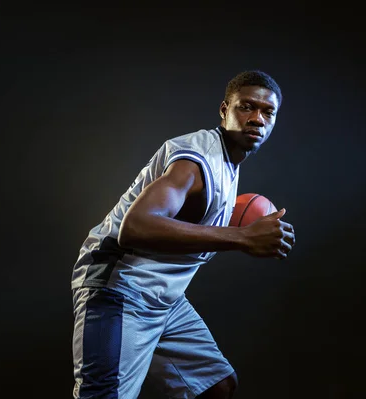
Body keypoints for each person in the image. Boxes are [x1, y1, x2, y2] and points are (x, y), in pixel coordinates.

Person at [70, 70, 296, 398]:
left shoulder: (229, 165)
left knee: (214, 386)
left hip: (164, 299)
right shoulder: (197, 157)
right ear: (224, 110)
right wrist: (244, 237)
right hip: (119, 289)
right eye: (246, 107)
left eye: (267, 112)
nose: (257, 119)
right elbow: (136, 226)